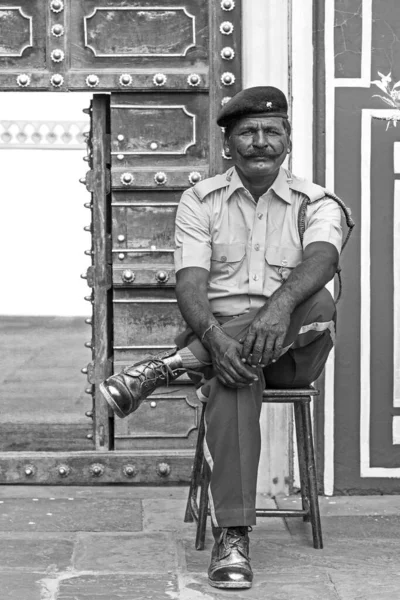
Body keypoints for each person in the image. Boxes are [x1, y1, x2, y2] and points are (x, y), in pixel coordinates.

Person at [100, 86, 343, 590]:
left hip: (296, 349)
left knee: (317, 299)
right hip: (219, 348)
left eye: (271, 132)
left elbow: (323, 259)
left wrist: (277, 308)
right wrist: (215, 338)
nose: (260, 142)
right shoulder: (200, 200)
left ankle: (167, 367)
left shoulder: (315, 202)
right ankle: (233, 535)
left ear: (287, 140)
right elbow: (189, 283)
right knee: (235, 377)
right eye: (247, 133)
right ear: (229, 144)